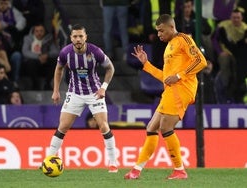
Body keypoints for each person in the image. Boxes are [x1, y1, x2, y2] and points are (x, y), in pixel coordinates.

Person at [124, 14, 207, 180]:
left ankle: (179, 170)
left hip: (182, 89)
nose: (159, 34)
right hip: (170, 90)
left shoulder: (183, 39)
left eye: (162, 30)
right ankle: (136, 170)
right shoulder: (169, 46)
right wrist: (146, 65)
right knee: (151, 127)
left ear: (171, 27)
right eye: (157, 31)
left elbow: (201, 61)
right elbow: (166, 77)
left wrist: (179, 75)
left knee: (165, 127)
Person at [45, 24, 118, 172]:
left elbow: (110, 68)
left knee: (103, 126)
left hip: (95, 93)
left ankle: (113, 162)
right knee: (63, 127)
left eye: (80, 36)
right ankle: (48, 160)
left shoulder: (95, 51)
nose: (78, 39)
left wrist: (103, 87)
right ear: (71, 38)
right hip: (75, 93)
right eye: (75, 36)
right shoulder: (66, 53)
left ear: (86, 37)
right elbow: (58, 69)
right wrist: (56, 90)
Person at [212, 8, 247, 103]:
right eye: (234, 17)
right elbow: (214, 39)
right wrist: (220, 51)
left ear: (241, 18)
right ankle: (223, 88)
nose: (236, 20)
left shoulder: (245, 29)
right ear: (231, 17)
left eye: (238, 18)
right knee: (226, 64)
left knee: (239, 68)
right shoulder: (223, 26)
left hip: (239, 56)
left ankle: (237, 93)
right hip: (225, 53)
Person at [22, 23, 59, 90]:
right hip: (32, 60)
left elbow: (56, 51)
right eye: (37, 31)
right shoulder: (28, 38)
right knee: (31, 63)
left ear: (44, 32)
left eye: (41, 31)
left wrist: (47, 55)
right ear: (33, 32)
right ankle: (35, 84)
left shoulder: (49, 39)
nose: (39, 33)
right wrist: (38, 56)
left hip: (46, 60)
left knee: (55, 61)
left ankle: (47, 83)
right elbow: (25, 52)